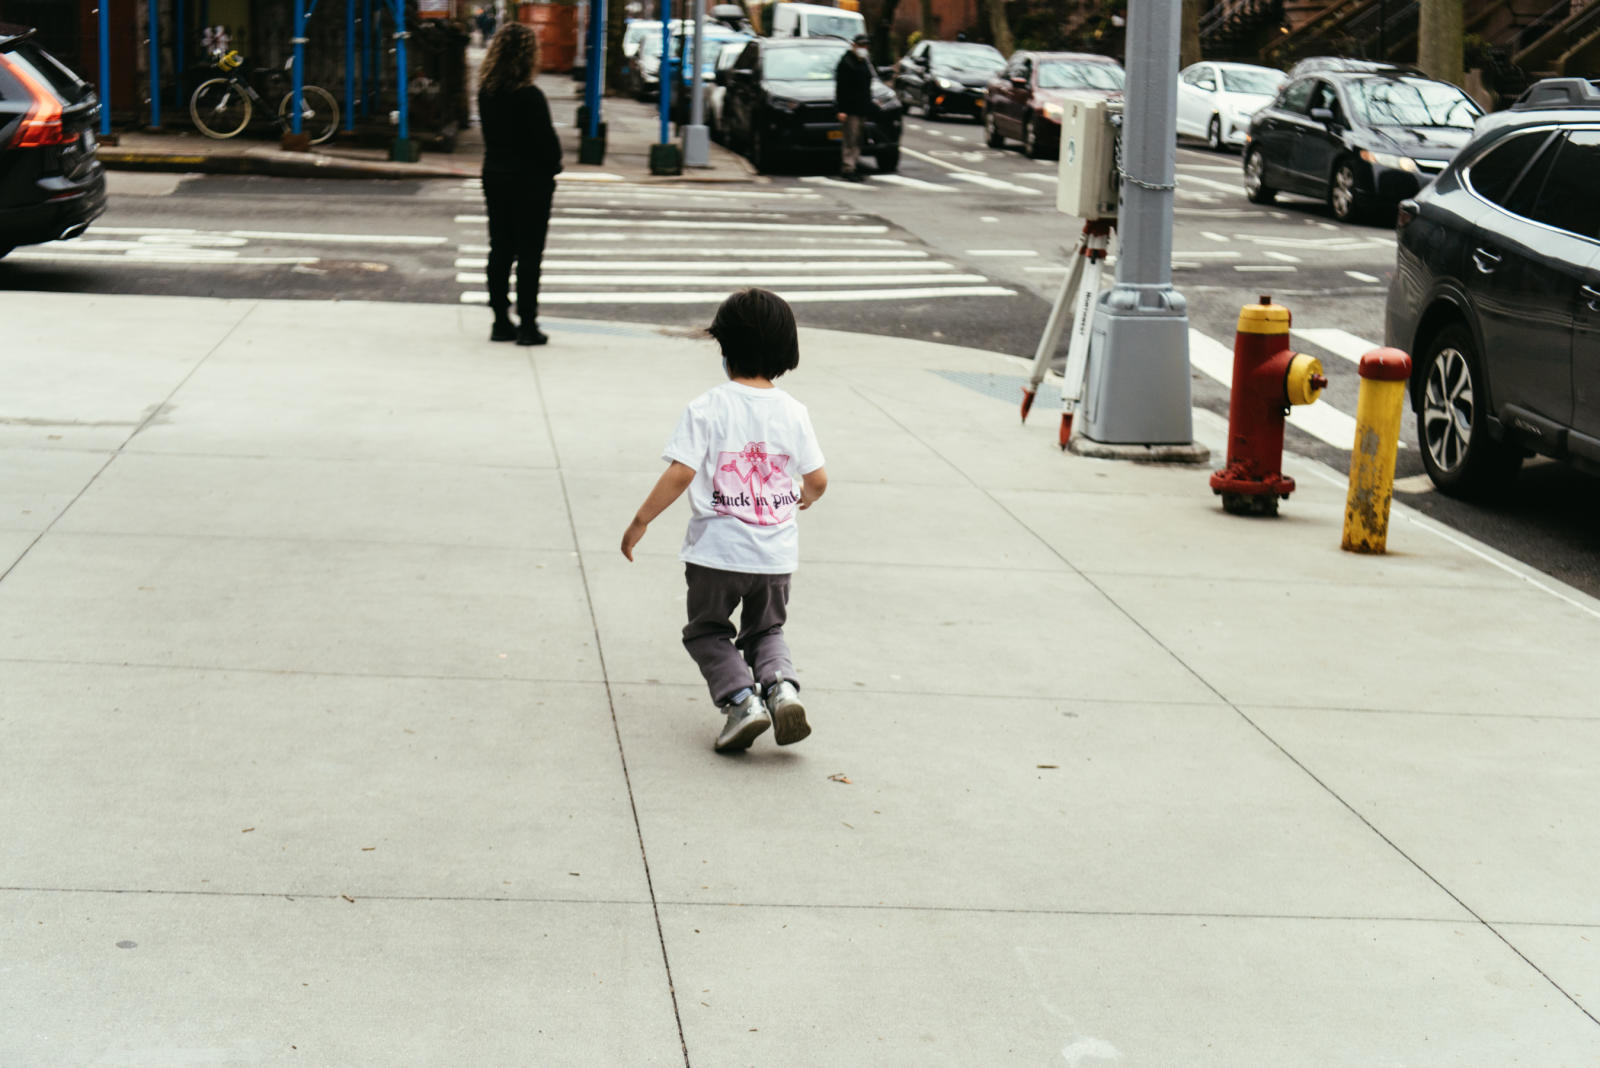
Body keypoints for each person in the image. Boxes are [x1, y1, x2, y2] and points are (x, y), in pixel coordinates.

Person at [621, 289, 829, 754]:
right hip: (775, 557)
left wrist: (641, 521)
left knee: (708, 630)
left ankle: (741, 700)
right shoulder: (794, 412)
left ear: (724, 347)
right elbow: (817, 479)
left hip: (717, 553)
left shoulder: (708, 407)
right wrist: (802, 497)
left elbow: (680, 472)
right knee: (767, 631)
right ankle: (781, 689)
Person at [477, 22, 561, 345]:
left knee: (500, 248)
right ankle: (528, 324)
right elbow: (547, 144)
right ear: (529, 56)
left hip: (496, 176)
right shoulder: (530, 96)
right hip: (531, 181)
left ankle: (500, 319)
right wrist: (553, 166)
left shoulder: (487, 92)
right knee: (529, 254)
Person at [834, 34, 873, 182]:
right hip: (850, 108)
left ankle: (854, 165)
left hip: (862, 107)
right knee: (850, 138)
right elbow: (841, 88)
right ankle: (847, 167)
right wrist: (841, 109)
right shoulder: (846, 63)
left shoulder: (864, 62)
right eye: (861, 45)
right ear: (854, 45)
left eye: (866, 46)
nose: (864, 49)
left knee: (858, 139)